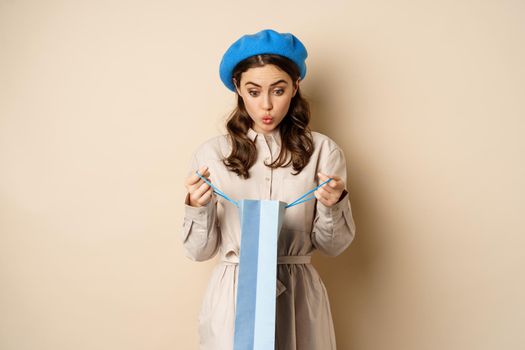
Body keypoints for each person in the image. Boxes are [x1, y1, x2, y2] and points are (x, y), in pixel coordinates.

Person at [181, 28, 356, 350]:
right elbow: (198, 251)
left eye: (278, 90)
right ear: (237, 88)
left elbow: (333, 247)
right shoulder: (211, 155)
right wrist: (197, 206)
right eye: (253, 91)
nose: (266, 105)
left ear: (295, 87)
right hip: (234, 293)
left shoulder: (323, 151)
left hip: (298, 292)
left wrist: (334, 205)